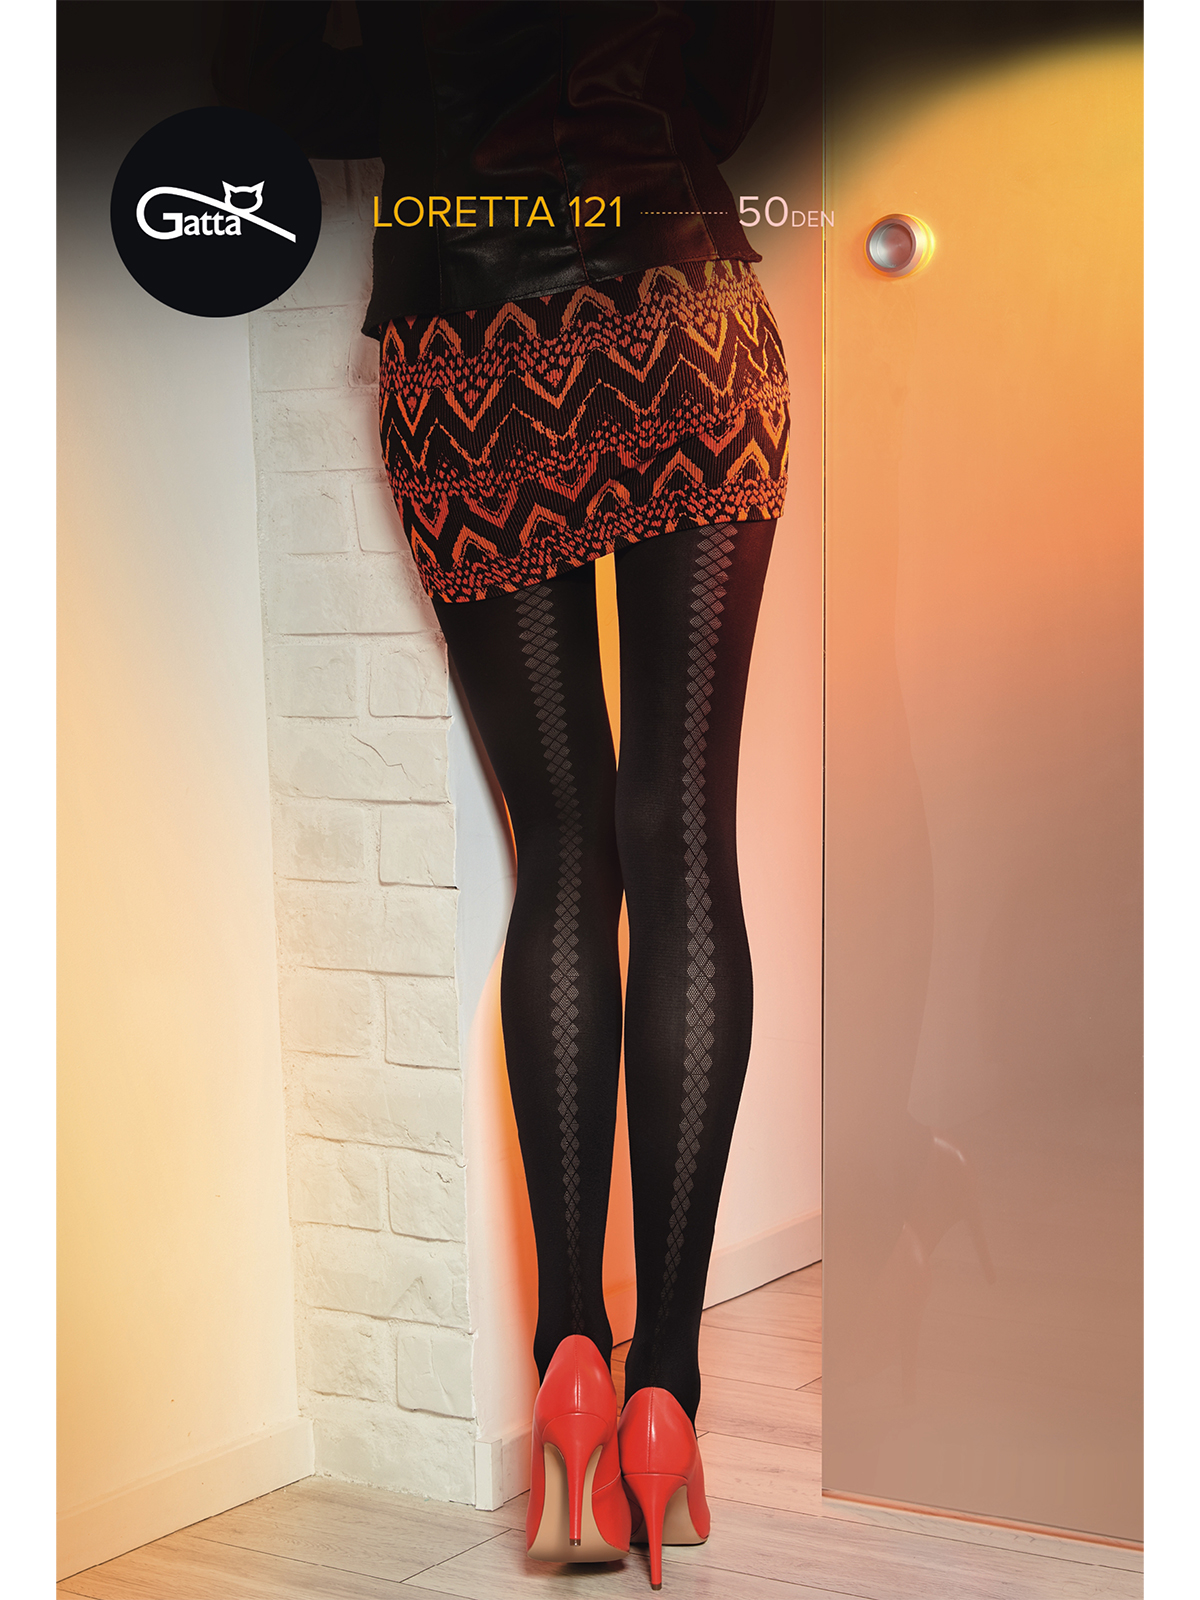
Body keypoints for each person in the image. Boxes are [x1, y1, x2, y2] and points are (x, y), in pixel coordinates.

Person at [217, 3, 788, 1587]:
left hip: (464, 341)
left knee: (567, 858)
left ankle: (569, 1361)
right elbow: (731, 88)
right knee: (683, 847)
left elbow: (270, 85)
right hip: (678, 313)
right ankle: (666, 1391)